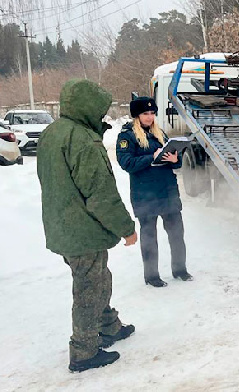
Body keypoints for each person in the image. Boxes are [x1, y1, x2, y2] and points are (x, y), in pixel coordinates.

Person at [37, 79, 138, 373]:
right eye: (100, 109)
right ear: (88, 107)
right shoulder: (82, 140)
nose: (103, 115)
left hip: (63, 225)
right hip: (83, 229)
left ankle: (109, 326)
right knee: (88, 288)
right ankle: (84, 351)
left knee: (98, 279)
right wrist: (126, 228)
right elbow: (100, 194)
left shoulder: (52, 133)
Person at [116, 96, 191, 288]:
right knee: (149, 236)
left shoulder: (160, 133)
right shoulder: (127, 136)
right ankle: (151, 276)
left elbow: (176, 160)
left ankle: (180, 269)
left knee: (176, 233)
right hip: (145, 194)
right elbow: (127, 163)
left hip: (167, 191)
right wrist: (152, 156)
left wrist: (176, 159)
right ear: (136, 116)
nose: (149, 117)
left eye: (152, 113)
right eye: (145, 114)